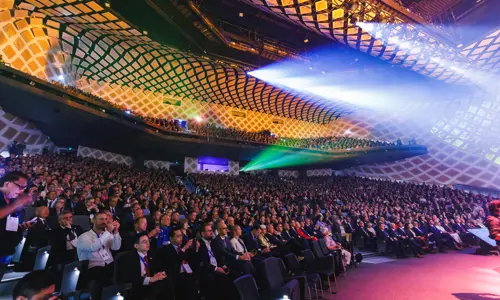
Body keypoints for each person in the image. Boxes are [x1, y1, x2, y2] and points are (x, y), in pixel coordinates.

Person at [76, 212, 121, 300]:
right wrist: (107, 232)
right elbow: (93, 247)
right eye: (101, 219)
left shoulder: (107, 235)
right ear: (93, 221)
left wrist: (115, 232)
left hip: (108, 265)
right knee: (99, 275)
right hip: (92, 267)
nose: (104, 221)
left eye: (105, 219)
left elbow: (116, 247)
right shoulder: (84, 237)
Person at [116, 232, 171, 300]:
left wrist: (161, 273)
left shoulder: (153, 254)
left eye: (148, 241)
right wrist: (149, 279)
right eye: (144, 242)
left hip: (153, 284)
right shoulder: (127, 258)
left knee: (167, 282)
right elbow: (128, 277)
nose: (148, 243)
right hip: (138, 285)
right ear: (136, 246)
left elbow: (161, 267)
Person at [0, 171, 33, 278]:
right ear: (7, 184)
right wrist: (15, 205)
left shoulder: (12, 201)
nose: (22, 191)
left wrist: (21, 227)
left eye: (24, 188)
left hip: (5, 251)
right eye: (20, 186)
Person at [161, 227, 199, 300]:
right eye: (178, 236)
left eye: (181, 235)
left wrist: (196, 249)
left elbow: (195, 261)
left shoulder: (185, 247)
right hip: (175, 275)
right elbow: (174, 262)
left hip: (187, 273)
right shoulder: (166, 249)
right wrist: (183, 249)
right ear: (171, 238)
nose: (181, 238)